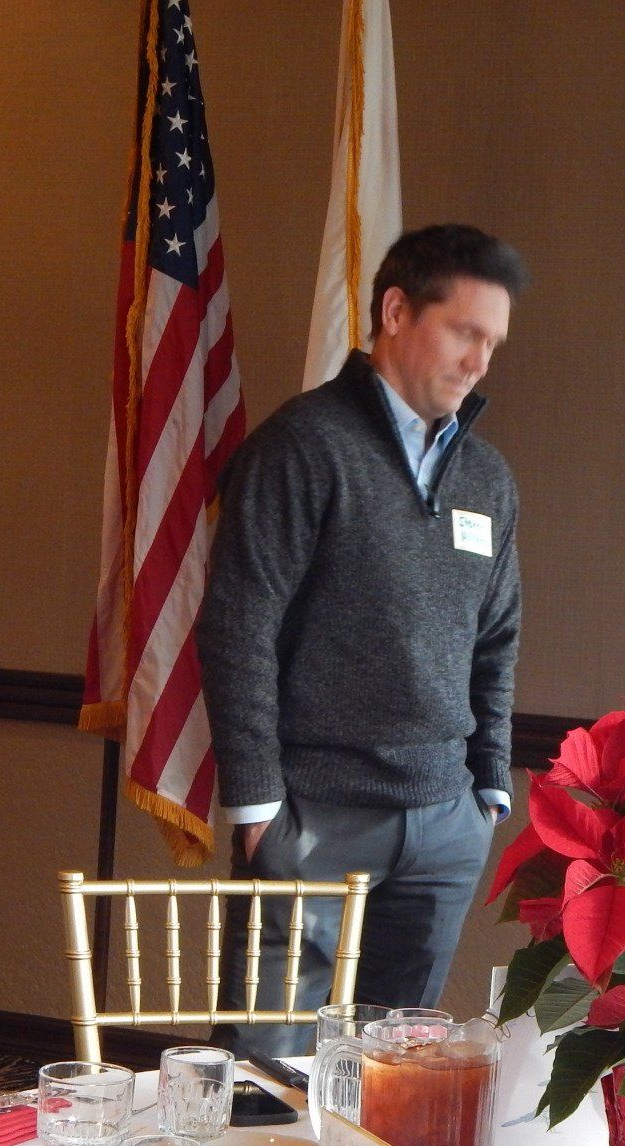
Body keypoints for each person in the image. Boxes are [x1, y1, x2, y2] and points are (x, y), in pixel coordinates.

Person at [197, 223, 528, 1056]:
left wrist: (487, 784)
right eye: (464, 332)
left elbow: (498, 637)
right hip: (314, 812)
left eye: (494, 341)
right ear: (393, 311)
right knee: (265, 1075)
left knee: (394, 1078)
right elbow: (240, 622)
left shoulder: (486, 477)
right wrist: (260, 804)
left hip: (444, 819)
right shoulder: (302, 445)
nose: (481, 360)